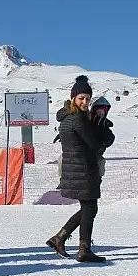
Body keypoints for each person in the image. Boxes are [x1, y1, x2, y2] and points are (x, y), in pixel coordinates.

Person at [46, 75, 105, 262]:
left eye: (88, 98)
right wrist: (101, 134)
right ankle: (81, 248)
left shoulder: (68, 117)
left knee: (88, 208)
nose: (85, 102)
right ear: (73, 98)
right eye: (81, 98)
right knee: (90, 208)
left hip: (76, 169)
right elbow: (95, 145)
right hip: (83, 170)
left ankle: (61, 238)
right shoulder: (78, 119)